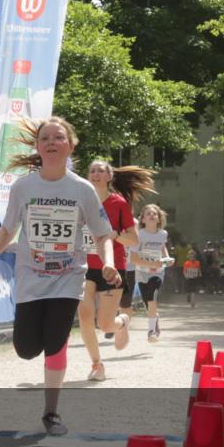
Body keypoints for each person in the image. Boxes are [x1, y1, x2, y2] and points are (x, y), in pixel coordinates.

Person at [0, 117, 119, 436]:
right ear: (38, 146)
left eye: (58, 137)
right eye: (45, 138)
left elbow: (102, 234)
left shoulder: (82, 189)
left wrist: (107, 262)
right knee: (26, 348)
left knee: (55, 342)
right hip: (31, 277)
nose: (52, 142)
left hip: (68, 277)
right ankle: (38, 346)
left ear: (70, 144)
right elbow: (9, 227)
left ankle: (51, 412)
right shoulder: (24, 186)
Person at [77, 161, 151, 381]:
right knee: (84, 315)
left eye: (101, 170)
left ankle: (123, 321)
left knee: (105, 324)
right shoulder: (81, 202)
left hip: (112, 268)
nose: (95, 174)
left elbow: (133, 238)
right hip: (85, 267)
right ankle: (97, 365)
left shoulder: (118, 203)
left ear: (109, 177)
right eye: (92, 170)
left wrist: (112, 235)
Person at [132, 204, 173, 342]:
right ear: (142, 219)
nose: (151, 215)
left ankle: (151, 332)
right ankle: (154, 319)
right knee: (147, 301)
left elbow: (162, 249)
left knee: (153, 296)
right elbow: (134, 257)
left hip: (157, 272)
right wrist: (150, 263)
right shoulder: (139, 235)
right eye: (148, 214)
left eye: (154, 214)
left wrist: (167, 259)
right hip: (142, 271)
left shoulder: (163, 234)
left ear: (158, 218)